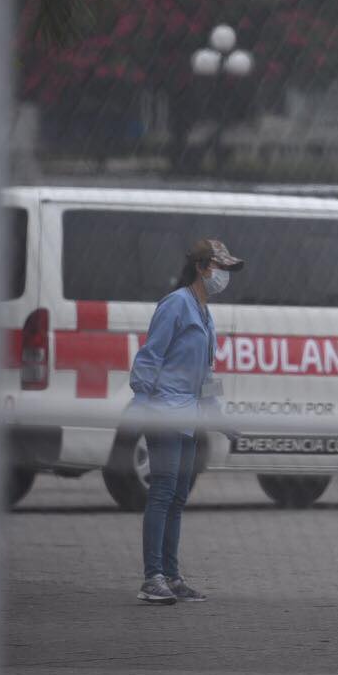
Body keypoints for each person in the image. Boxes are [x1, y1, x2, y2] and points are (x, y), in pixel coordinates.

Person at [128, 237, 244, 604]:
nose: (223, 275)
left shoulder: (205, 314)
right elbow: (150, 357)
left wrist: (220, 418)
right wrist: (143, 403)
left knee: (177, 497)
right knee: (163, 493)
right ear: (201, 267)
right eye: (220, 267)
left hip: (189, 415)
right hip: (165, 412)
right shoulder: (176, 305)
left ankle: (172, 576)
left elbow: (206, 374)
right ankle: (152, 578)